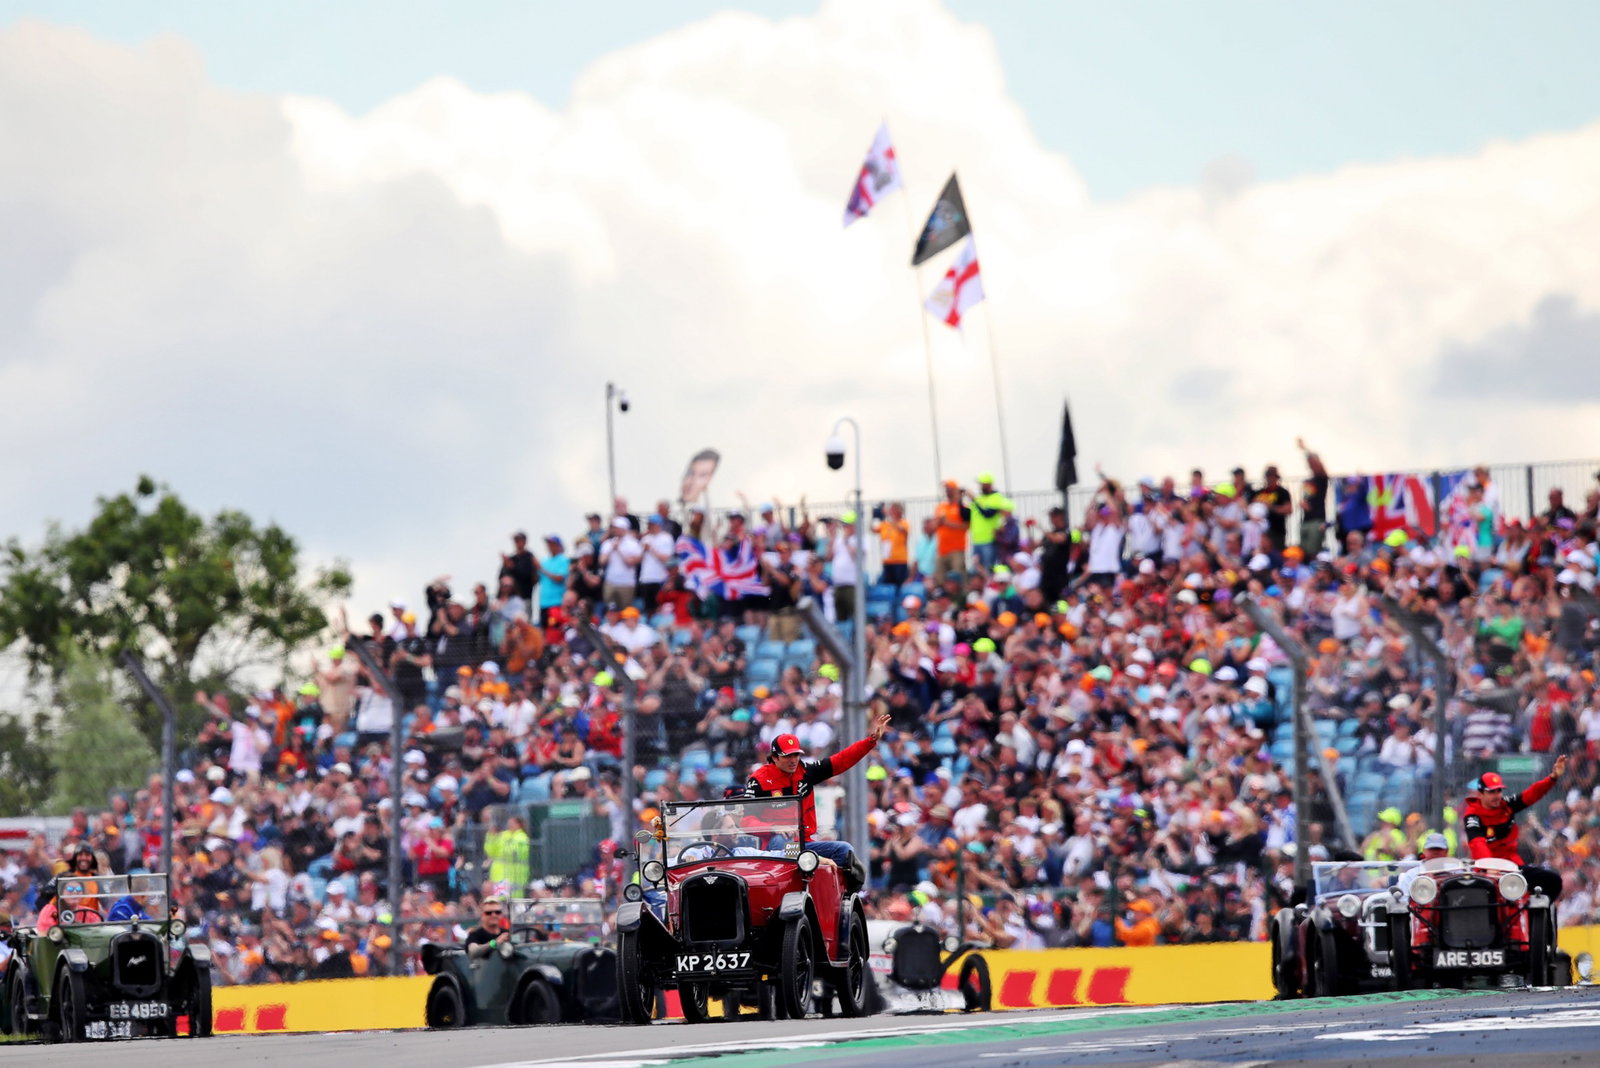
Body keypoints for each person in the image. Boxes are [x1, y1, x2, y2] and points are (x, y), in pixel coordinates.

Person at [744, 711, 891, 890]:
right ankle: (792, 888)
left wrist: (870, 741)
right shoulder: (758, 780)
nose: (793, 761)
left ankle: (840, 895)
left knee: (844, 850)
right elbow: (746, 821)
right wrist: (773, 828)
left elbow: (840, 761)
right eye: (787, 756)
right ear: (774, 758)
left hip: (805, 843)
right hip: (775, 844)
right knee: (786, 845)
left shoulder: (805, 771)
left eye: (796, 755)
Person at [1463, 759, 1567, 901]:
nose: (1497, 795)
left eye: (1499, 790)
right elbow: (1477, 843)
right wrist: (1490, 865)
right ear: (1480, 794)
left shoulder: (1506, 805)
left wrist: (1552, 778)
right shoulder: (1473, 815)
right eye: (1492, 792)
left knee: (1552, 880)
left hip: (1513, 868)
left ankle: (1535, 916)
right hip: (1488, 873)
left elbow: (1531, 794)